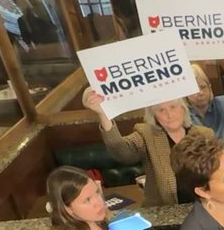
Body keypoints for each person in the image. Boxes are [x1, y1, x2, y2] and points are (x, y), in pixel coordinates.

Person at [81, 88, 215, 206]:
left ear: (183, 108)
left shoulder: (204, 134)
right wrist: (102, 113)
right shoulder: (147, 135)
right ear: (154, 116)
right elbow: (120, 151)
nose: (169, 114)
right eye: (161, 110)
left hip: (204, 206)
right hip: (164, 212)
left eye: (173, 107)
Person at [37, 167, 111, 230]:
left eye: (97, 192)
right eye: (87, 200)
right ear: (67, 208)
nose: (99, 202)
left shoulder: (106, 222)